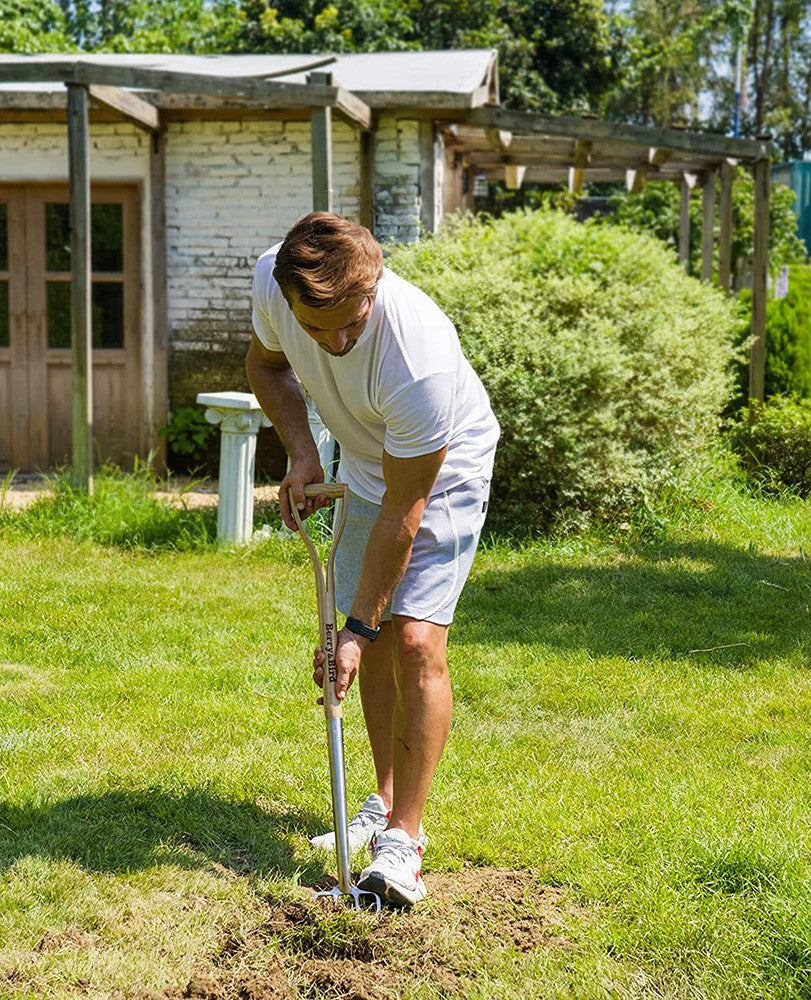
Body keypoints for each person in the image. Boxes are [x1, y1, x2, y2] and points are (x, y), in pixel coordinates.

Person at [246, 212, 499, 907]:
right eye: (317, 328)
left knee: (409, 639)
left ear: (374, 288)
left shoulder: (417, 357)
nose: (336, 342)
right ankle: (382, 803)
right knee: (376, 638)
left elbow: (404, 512)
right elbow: (265, 367)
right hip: (362, 461)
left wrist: (356, 629)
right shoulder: (274, 286)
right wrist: (303, 451)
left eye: (351, 324)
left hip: (439, 474)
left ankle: (404, 842)